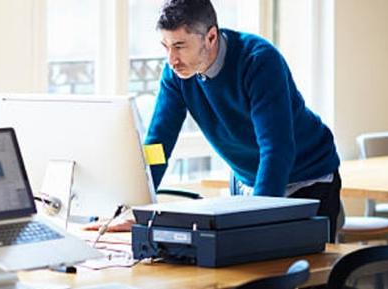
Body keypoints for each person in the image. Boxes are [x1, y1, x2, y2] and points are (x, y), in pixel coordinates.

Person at [144, 0, 341, 242]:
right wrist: (139, 207)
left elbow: (276, 149)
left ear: (211, 37)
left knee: (305, 275)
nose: (172, 59)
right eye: (165, 47)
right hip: (248, 180)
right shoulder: (175, 75)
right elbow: (158, 145)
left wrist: (255, 218)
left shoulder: (258, 60)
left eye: (180, 46)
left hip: (308, 176)